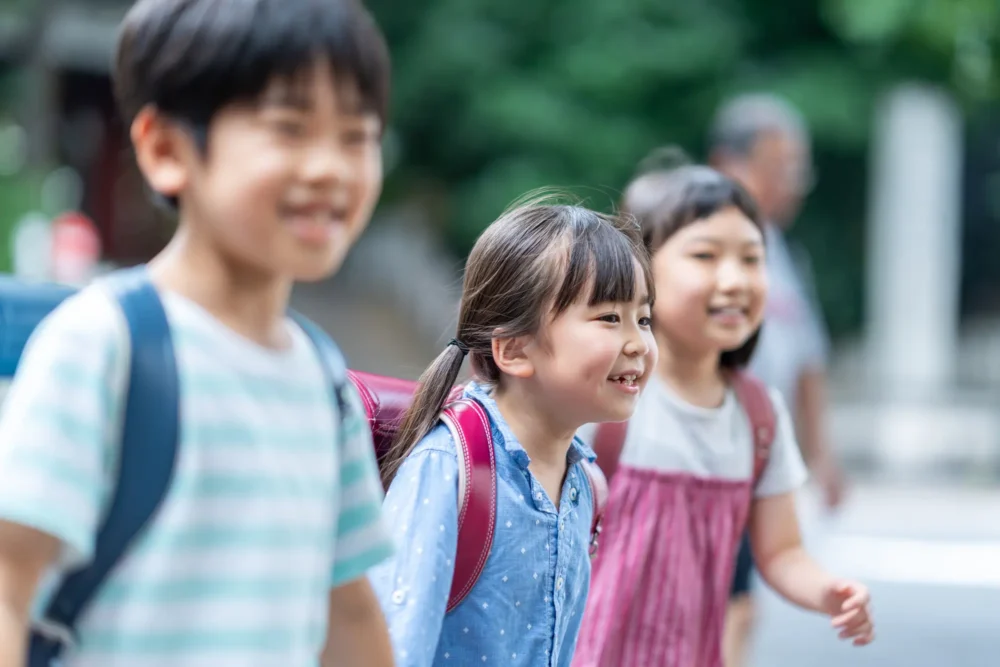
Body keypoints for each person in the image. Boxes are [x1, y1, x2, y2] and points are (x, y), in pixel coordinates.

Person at [0, 1, 395, 665]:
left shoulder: (325, 381)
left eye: (356, 137)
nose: (331, 167)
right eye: (290, 129)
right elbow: (9, 581)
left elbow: (347, 608)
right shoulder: (104, 345)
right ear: (165, 150)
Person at [572, 153, 873, 667]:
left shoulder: (758, 415)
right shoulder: (608, 397)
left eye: (752, 259)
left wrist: (827, 591)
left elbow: (780, 551)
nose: (734, 279)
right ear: (642, 269)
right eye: (706, 256)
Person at [370, 198, 658, 667]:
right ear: (515, 350)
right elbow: (395, 646)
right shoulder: (450, 469)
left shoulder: (586, 483)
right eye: (609, 318)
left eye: (643, 319)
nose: (638, 343)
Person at [708, 94, 847, 667]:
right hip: (708, 453)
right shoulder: (695, 241)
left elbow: (808, 361)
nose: (790, 182)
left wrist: (822, 454)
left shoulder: (784, 253)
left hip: (755, 458)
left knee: (741, 605)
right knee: (728, 608)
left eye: (796, 168)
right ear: (726, 163)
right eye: (776, 166)